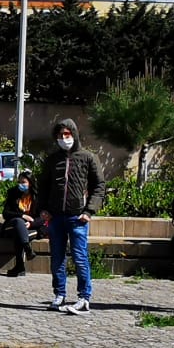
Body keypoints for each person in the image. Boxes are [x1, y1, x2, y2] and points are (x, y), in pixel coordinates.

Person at [39, 118, 105, 315]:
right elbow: (43, 186)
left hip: (78, 218)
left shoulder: (88, 157)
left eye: (67, 135)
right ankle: (59, 294)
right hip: (56, 217)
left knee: (80, 257)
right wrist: (42, 208)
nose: (63, 139)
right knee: (57, 258)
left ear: (74, 135)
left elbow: (99, 186)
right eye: (60, 136)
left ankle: (84, 297)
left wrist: (89, 211)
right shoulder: (52, 160)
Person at [0, 171, 43, 277]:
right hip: (12, 225)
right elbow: (6, 213)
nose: (20, 184)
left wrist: (31, 224)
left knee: (19, 234)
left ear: (30, 183)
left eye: (23, 182)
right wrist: (22, 216)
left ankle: (19, 267)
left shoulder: (38, 196)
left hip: (29, 227)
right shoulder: (13, 193)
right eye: (19, 182)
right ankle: (27, 249)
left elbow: (42, 217)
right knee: (18, 222)